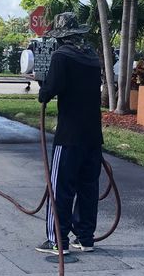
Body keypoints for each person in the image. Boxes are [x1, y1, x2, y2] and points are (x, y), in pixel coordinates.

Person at [35, 13, 104, 255]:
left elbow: (50, 89)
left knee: (61, 188)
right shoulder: (92, 57)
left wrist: (42, 90)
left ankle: (57, 240)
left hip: (69, 135)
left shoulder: (62, 56)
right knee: (88, 188)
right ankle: (85, 238)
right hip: (93, 135)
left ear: (60, 37)